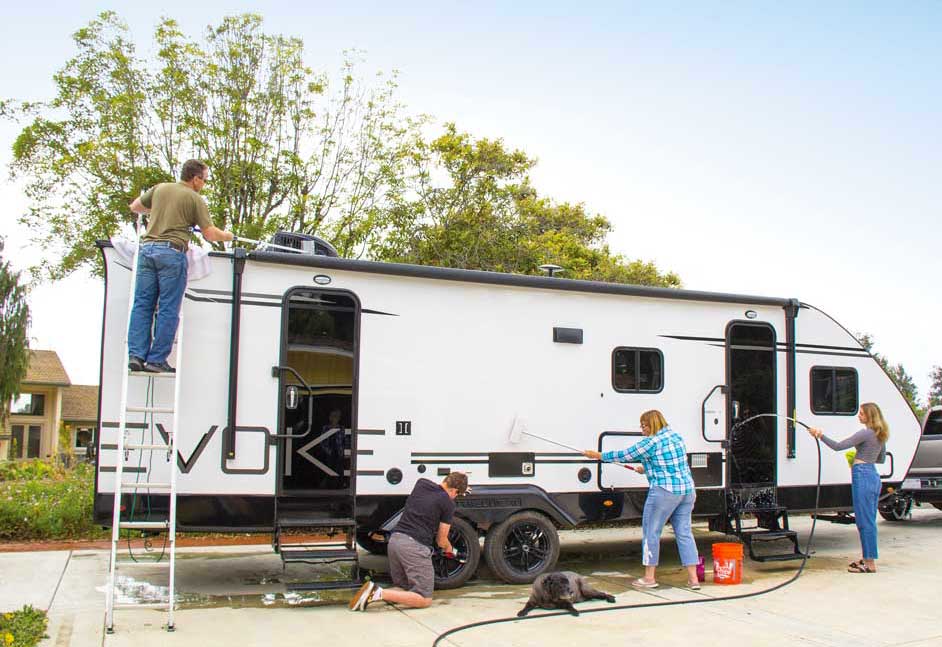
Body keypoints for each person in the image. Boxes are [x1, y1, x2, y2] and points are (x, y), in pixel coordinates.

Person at [127, 160, 234, 373]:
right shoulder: (195, 199)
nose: (204, 183)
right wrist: (228, 235)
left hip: (147, 250)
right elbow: (209, 233)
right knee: (168, 308)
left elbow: (136, 207)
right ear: (195, 179)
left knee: (142, 304)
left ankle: (136, 356)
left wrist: (160, 210)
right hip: (171, 253)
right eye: (204, 179)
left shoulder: (160, 188)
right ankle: (156, 360)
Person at [583, 409, 699, 589]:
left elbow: (624, 455)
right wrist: (645, 469)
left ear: (650, 425)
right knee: (684, 533)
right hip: (687, 491)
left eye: (643, 425)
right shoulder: (676, 437)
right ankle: (694, 580)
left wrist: (597, 455)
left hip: (664, 491)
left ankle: (649, 578)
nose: (641, 429)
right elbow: (672, 463)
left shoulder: (650, 442)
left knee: (651, 532)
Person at [350, 472, 469, 611]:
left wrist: (460, 482)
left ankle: (371, 594)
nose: (455, 497)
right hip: (413, 546)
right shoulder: (448, 503)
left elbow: (445, 486)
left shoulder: (421, 484)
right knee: (424, 598)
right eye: (457, 494)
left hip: (395, 542)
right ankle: (377, 592)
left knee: (403, 588)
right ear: (454, 490)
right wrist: (450, 550)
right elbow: (441, 540)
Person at [809, 402, 889, 574]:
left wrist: (819, 435)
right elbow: (880, 459)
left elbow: (838, 446)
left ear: (869, 415)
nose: (858, 415)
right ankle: (868, 557)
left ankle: (869, 564)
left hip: (862, 475)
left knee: (864, 522)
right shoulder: (880, 434)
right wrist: (863, 455)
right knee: (869, 520)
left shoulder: (865, 433)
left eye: (861, 413)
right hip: (873, 476)